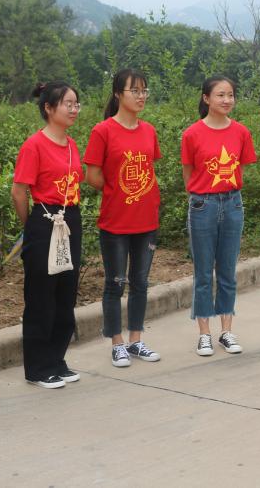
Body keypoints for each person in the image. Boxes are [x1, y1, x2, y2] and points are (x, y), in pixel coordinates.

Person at [84, 69, 162, 367]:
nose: (141, 96)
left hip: (147, 219)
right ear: (118, 94)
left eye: (144, 91)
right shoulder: (102, 131)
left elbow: (148, 169)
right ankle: (117, 343)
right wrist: (118, 191)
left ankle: (136, 340)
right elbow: (92, 175)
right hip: (116, 220)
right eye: (135, 91)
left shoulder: (148, 130)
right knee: (115, 283)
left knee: (140, 282)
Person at [11, 81, 84, 389]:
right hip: (44, 220)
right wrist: (33, 225)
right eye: (68, 104)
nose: (74, 109)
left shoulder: (71, 144)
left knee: (66, 293)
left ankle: (57, 359)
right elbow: (19, 191)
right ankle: (38, 367)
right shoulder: (34, 145)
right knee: (41, 296)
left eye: (76, 104)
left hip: (70, 218)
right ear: (49, 108)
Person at [181, 76, 256, 356]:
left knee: (227, 271)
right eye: (220, 95)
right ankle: (204, 334)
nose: (227, 100)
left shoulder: (241, 132)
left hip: (233, 203)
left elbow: (240, 170)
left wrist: (227, 191)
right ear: (206, 98)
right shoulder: (192, 134)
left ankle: (226, 331)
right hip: (203, 205)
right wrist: (202, 195)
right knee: (203, 273)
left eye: (230, 95)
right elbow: (189, 174)